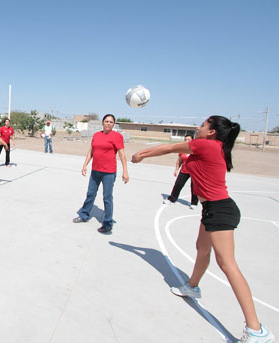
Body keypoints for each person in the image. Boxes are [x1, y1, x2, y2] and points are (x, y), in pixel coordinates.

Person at [131, 116, 274, 343]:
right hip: (212, 209)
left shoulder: (205, 145)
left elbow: (169, 148)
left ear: (211, 132)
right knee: (201, 249)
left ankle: (257, 330)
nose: (198, 127)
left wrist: (141, 155)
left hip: (220, 210)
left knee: (227, 264)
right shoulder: (214, 147)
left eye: (203, 125)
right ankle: (192, 286)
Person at [73, 114, 129, 234]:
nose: (109, 123)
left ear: (114, 124)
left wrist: (125, 171)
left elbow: (122, 155)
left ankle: (107, 223)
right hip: (95, 171)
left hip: (108, 172)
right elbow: (91, 151)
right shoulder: (96, 135)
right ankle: (84, 215)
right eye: (107, 121)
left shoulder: (117, 136)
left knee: (107, 197)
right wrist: (85, 165)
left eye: (111, 122)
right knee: (90, 194)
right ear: (102, 122)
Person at [163, 134, 198, 209]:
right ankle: (172, 199)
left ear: (192, 140)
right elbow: (179, 161)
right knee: (178, 185)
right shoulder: (182, 150)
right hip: (184, 171)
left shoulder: (196, 149)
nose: (187, 141)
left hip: (194, 172)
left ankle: (194, 203)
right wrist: (176, 169)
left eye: (189, 139)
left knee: (194, 187)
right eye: (185, 139)